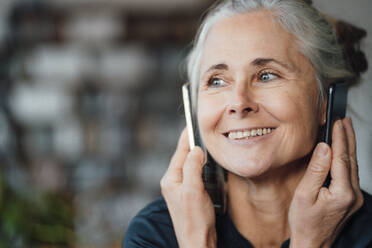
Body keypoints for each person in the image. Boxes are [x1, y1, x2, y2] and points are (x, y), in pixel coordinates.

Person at [123, 0, 372, 247]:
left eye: (267, 75)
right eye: (217, 81)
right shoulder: (153, 234)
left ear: (328, 101)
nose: (239, 103)